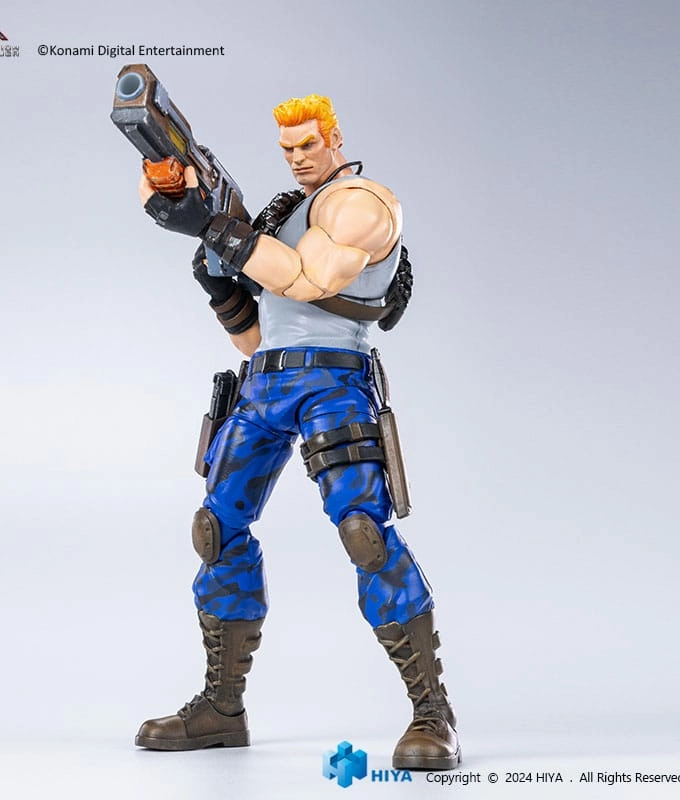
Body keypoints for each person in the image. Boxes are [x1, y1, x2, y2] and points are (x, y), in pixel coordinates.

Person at [133, 94, 461, 771]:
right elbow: (256, 337)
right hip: (266, 383)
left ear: (334, 138)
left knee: (363, 532)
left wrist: (218, 230)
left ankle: (433, 712)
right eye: (287, 148)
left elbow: (309, 281)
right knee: (216, 528)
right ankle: (221, 709)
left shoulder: (361, 203)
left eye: (308, 143)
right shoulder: (280, 216)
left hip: (333, 381)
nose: (298, 157)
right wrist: (216, 273)